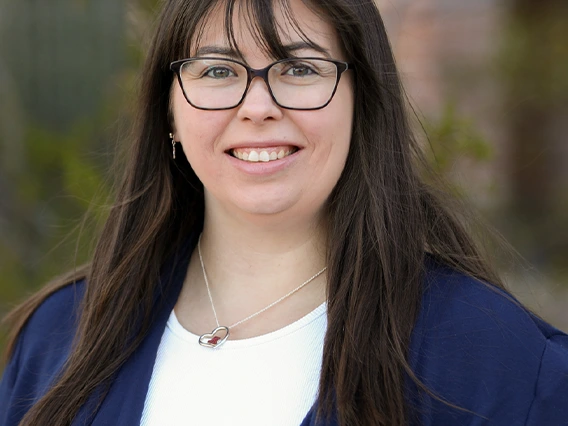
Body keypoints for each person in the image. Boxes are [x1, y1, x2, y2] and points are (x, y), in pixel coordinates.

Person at [1, 0, 567, 425]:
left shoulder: (486, 357)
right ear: (168, 111)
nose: (257, 108)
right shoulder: (62, 339)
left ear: (362, 103)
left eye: (299, 70)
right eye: (218, 71)